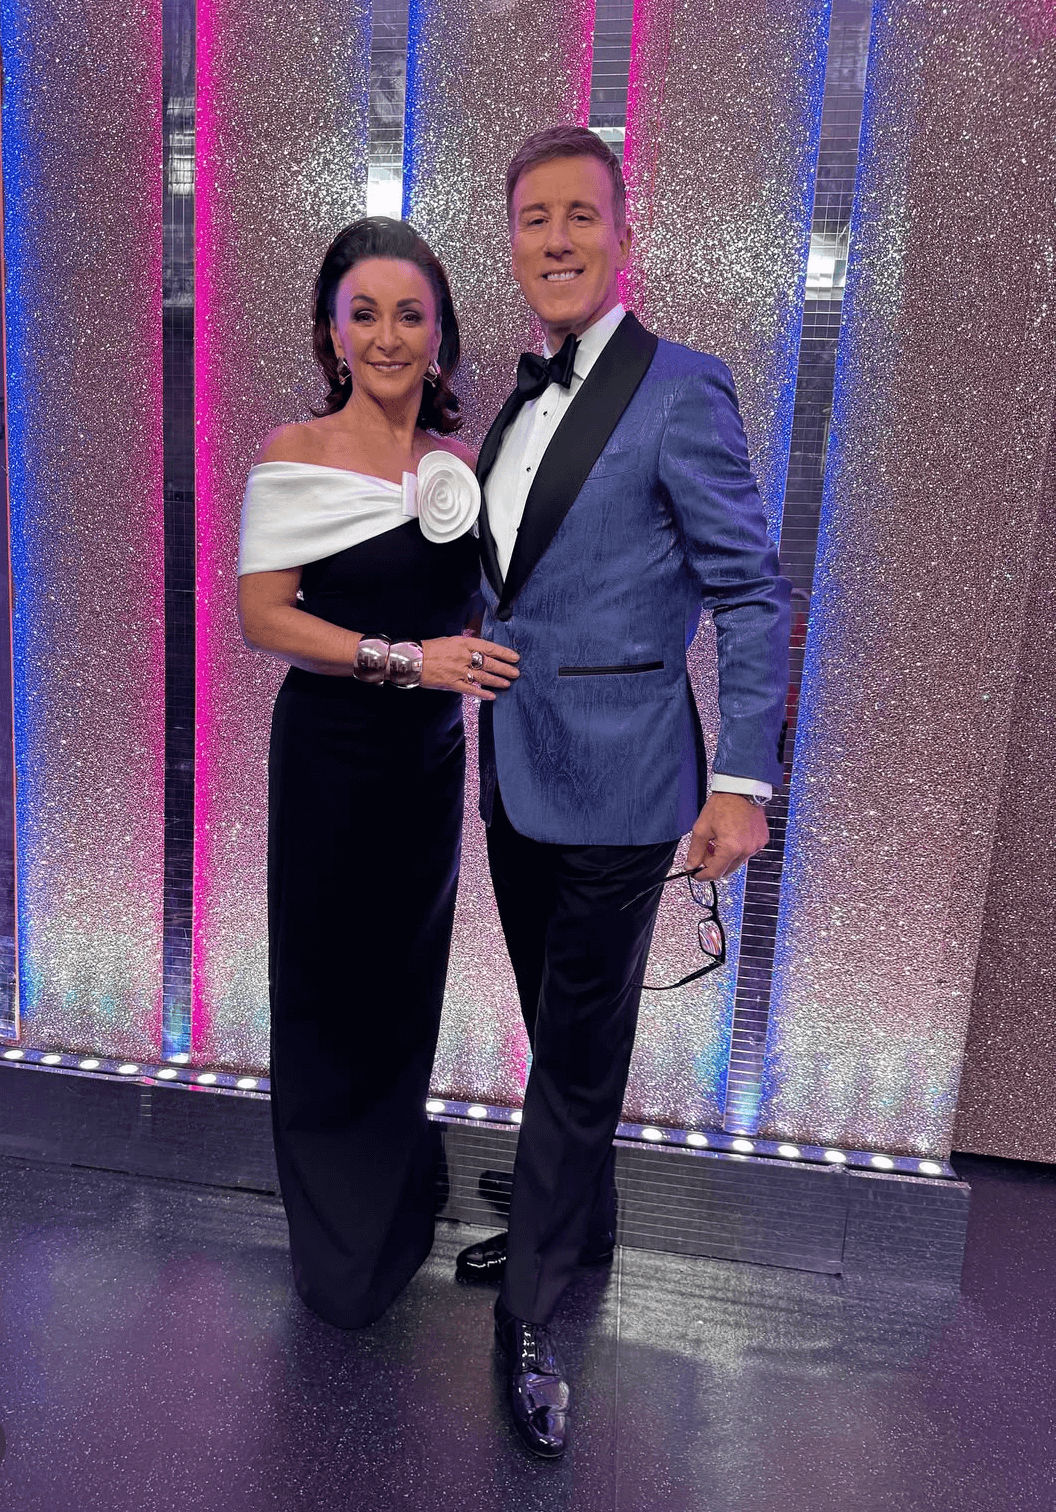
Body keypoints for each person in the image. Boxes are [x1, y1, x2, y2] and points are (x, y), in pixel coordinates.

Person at [454, 127, 792, 1457]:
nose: (555, 238)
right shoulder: (513, 400)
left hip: (628, 780)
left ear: (623, 235)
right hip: (516, 766)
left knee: (581, 1046)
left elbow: (752, 594)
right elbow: (520, 577)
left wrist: (744, 782)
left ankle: (533, 1316)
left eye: (578, 215)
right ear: (513, 242)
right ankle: (578, 1220)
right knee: (559, 1027)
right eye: (533, 217)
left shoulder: (684, 389)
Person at [237, 217, 519, 1329]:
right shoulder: (294, 451)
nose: (389, 336)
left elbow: (485, 609)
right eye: (366, 314)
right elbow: (265, 617)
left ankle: (400, 1191)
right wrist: (409, 661)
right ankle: (336, 1247)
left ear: (440, 335)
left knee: (404, 989)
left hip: (426, 766)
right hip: (330, 758)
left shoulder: (460, 469)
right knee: (324, 989)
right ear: (333, 332)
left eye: (411, 315)